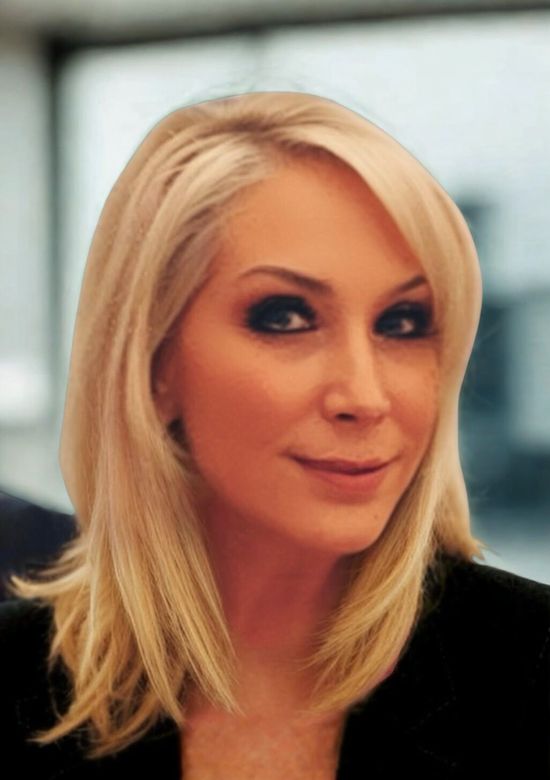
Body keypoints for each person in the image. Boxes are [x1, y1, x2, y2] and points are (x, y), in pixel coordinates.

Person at [0, 91, 548, 779]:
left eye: (402, 323)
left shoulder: (530, 672)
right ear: (154, 364)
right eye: (285, 317)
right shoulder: (17, 680)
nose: (364, 396)